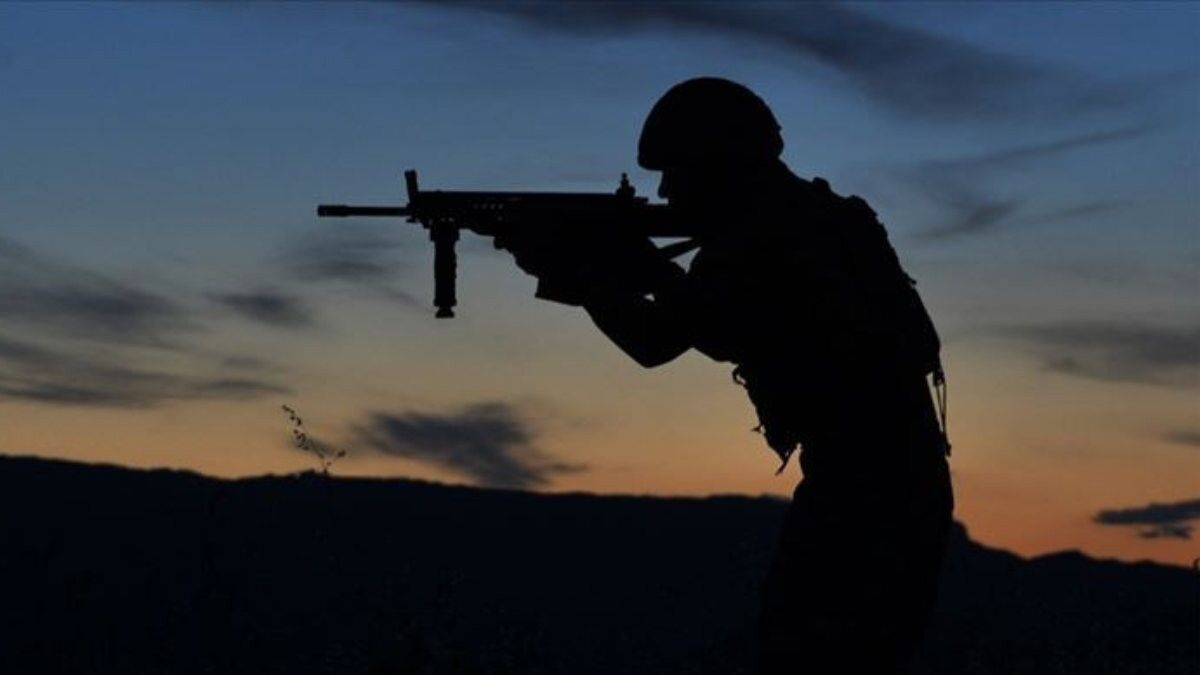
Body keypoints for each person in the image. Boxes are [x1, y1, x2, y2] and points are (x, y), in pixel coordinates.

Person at [504, 77, 954, 675]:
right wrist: (588, 275)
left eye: (677, 172)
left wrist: (601, 273)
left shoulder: (775, 232)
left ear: (721, 164)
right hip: (879, 480)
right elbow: (676, 335)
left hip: (871, 487)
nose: (665, 190)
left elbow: (689, 334)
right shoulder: (803, 220)